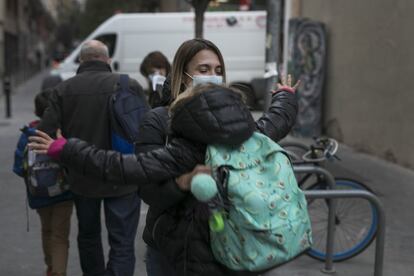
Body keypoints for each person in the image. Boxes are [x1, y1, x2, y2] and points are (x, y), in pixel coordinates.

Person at [30, 38, 299, 276]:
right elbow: (138, 178)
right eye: (203, 70)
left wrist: (285, 97)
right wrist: (181, 184)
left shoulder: (234, 124)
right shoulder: (162, 121)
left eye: (218, 71)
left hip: (229, 243)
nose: (213, 77)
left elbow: (271, 126)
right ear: (183, 75)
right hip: (172, 249)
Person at [37, 40, 148, 276]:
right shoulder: (129, 85)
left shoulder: (63, 90)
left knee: (88, 235)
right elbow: (146, 130)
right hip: (124, 176)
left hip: (82, 177)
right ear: (107, 60)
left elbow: (45, 134)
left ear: (81, 60)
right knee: (122, 243)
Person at [13, 89, 73, 276]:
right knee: (60, 236)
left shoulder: (28, 134)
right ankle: (58, 272)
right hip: (64, 193)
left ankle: (50, 267)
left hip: (38, 193)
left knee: (46, 230)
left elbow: (18, 167)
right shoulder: (63, 133)